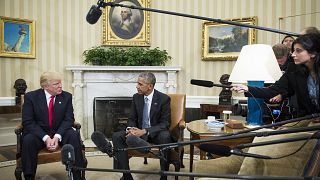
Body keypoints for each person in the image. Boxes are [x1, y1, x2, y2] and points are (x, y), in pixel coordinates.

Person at [231, 33, 320, 117]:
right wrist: (247, 88)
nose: (293, 55)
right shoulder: (293, 69)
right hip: (308, 119)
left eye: (298, 51)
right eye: (293, 51)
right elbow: (273, 90)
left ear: (313, 53)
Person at [21, 72, 85, 180]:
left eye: (60, 83)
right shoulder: (31, 97)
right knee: (28, 140)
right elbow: (28, 122)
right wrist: (46, 138)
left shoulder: (66, 96)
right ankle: (29, 177)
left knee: (73, 135)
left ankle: (77, 175)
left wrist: (57, 136)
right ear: (45, 86)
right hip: (39, 134)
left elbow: (69, 119)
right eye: (56, 84)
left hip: (60, 132)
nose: (60, 86)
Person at [112, 72, 172, 180]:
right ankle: (127, 175)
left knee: (165, 136)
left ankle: (164, 175)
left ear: (150, 86)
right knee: (117, 136)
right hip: (138, 132)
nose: (137, 86)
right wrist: (131, 129)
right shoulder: (136, 97)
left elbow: (165, 123)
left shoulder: (163, 99)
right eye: (137, 83)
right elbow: (131, 118)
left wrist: (145, 131)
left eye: (140, 84)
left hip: (154, 133)